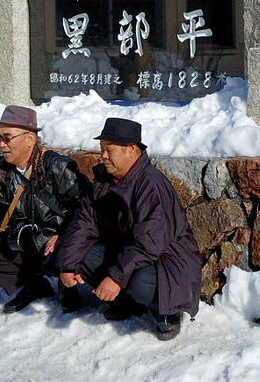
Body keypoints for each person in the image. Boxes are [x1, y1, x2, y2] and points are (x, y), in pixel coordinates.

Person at [56, 117, 201, 340]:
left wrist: (114, 278)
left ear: (131, 150)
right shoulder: (105, 182)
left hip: (168, 261)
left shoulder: (151, 185)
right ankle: (125, 301)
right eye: (101, 149)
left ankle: (168, 313)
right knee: (82, 255)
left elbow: (149, 244)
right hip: (129, 253)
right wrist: (67, 264)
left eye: (109, 149)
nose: (103, 155)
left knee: (139, 281)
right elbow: (83, 223)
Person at [0, 105, 87, 314]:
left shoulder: (57, 167)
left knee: (67, 244)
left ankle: (67, 287)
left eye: (7, 138)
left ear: (29, 139)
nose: (2, 145)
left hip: (54, 241)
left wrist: (62, 235)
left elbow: (85, 209)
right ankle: (33, 286)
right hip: (22, 238)